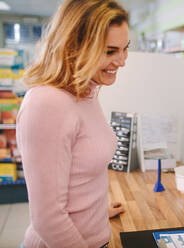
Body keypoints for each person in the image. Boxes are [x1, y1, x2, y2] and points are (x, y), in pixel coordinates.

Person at [16, 0, 129, 247]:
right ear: (74, 46)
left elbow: (77, 177)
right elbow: (48, 219)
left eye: (125, 48)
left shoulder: (86, 90)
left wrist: (98, 214)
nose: (122, 61)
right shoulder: (47, 103)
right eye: (110, 51)